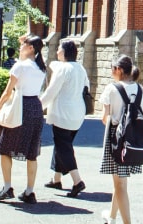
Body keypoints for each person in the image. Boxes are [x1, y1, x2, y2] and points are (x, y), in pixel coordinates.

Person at [0, 34, 47, 203]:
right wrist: (25, 43)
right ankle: (29, 191)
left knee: (5, 147)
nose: (20, 47)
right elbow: (27, 56)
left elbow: (7, 92)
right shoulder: (41, 68)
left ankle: (7, 187)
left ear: (31, 48)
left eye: (23, 45)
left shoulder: (19, 66)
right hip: (35, 107)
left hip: (20, 106)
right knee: (32, 153)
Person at [99, 55, 143, 224]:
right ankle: (112, 217)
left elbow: (105, 117)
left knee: (120, 184)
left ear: (119, 70)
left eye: (112, 68)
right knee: (120, 182)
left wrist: (118, 120)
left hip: (117, 139)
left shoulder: (111, 89)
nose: (111, 72)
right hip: (135, 140)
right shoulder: (140, 89)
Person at [41, 39, 88, 197]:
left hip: (63, 114)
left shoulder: (63, 69)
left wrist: (37, 106)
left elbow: (51, 92)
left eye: (59, 49)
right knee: (62, 145)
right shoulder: (80, 68)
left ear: (65, 52)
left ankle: (77, 181)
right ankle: (56, 179)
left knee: (64, 148)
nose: (57, 51)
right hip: (77, 113)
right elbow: (86, 87)